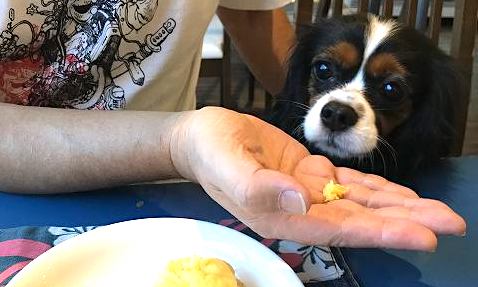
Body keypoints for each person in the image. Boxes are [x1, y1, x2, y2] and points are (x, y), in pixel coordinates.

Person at [0, 0, 466, 251]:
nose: (340, 103)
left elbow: (250, 14)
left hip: (180, 187)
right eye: (325, 72)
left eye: (389, 91)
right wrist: (178, 143)